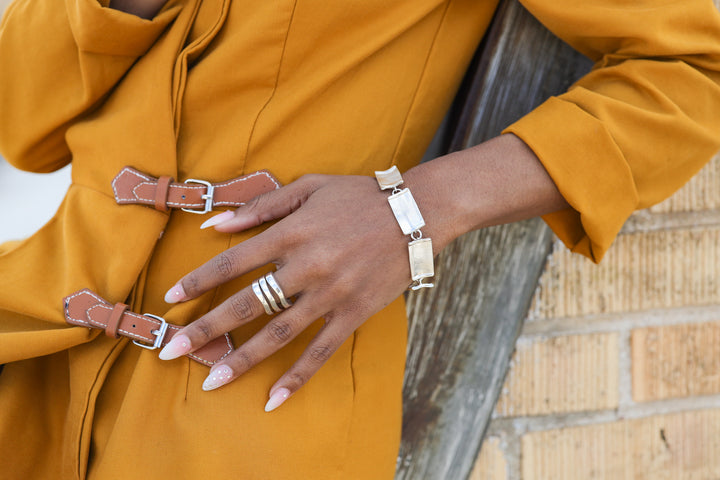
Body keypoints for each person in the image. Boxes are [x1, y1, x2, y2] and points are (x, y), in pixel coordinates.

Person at [1, 0, 719, 478]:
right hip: (38, 352)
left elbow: (699, 67)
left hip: (255, 396)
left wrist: (418, 208)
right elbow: (26, 127)